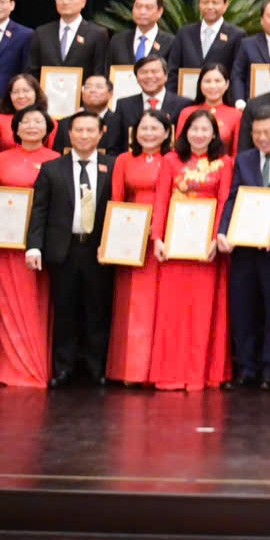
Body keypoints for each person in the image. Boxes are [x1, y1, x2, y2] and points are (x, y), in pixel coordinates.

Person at [27, 109, 117, 386]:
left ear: (101, 133)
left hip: (99, 251)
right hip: (63, 250)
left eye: (90, 130)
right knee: (65, 311)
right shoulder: (52, 168)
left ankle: (96, 368)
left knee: (98, 309)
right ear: (69, 133)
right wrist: (34, 247)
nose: (84, 135)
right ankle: (63, 368)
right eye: (79, 130)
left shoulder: (113, 166)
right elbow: (39, 210)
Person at [147, 107, 232, 391]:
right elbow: (161, 200)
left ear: (214, 134)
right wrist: (157, 237)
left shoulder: (224, 163)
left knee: (203, 310)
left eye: (205, 129)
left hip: (205, 248)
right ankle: (170, 372)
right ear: (185, 133)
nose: (199, 134)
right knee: (172, 311)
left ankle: (201, 373)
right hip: (175, 245)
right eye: (194, 129)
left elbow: (224, 201)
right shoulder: (171, 160)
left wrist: (216, 238)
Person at [224, 110, 270, 390]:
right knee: (243, 307)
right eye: (256, 133)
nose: (262, 138)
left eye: (267, 132)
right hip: (243, 247)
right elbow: (232, 198)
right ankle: (247, 366)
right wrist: (224, 232)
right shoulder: (243, 159)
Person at [104, 109, 174, 385]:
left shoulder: (171, 160)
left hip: (161, 239)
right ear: (134, 133)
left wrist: (158, 230)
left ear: (167, 133)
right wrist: (112, 238)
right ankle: (128, 370)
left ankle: (153, 370)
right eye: (144, 128)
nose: (149, 133)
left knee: (158, 304)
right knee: (130, 304)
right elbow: (117, 199)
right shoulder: (123, 159)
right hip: (130, 238)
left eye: (155, 128)